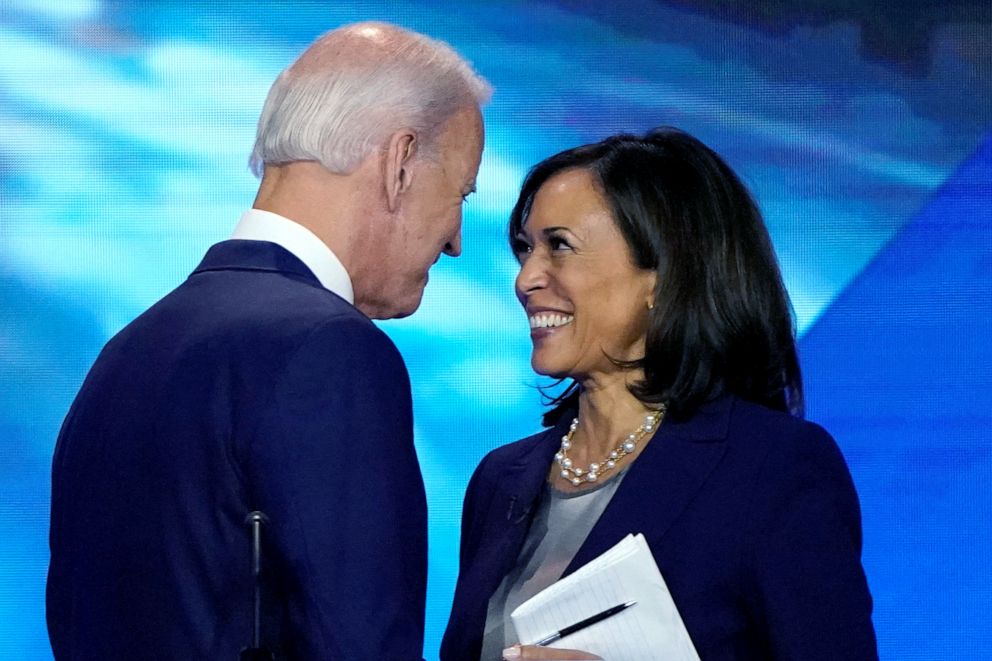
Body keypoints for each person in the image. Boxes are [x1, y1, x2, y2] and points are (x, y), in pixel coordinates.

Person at [46, 22, 488, 660]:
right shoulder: (330, 350)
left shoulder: (129, 349)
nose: (455, 240)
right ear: (399, 163)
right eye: (460, 194)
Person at [441, 128, 878, 661]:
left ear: (663, 274)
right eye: (526, 249)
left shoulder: (773, 468)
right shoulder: (499, 479)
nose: (527, 278)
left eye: (559, 246)